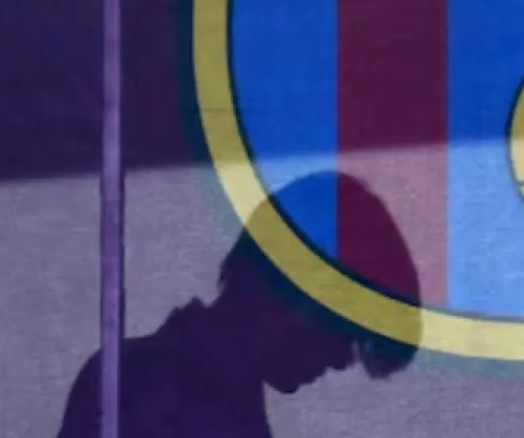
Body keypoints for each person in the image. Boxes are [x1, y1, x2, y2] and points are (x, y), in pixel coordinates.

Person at [56, 172, 420, 437]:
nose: (341, 358)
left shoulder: (150, 383)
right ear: (272, 279)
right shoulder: (143, 390)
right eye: (339, 324)